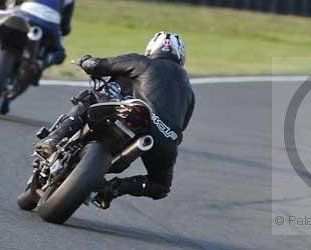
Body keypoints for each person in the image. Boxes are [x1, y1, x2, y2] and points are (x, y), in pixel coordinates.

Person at [34, 32, 195, 208]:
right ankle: (113, 189)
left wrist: (85, 61)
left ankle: (53, 139)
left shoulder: (142, 61)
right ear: (180, 57)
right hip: (166, 138)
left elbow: (99, 65)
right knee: (160, 186)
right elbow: (183, 125)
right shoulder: (189, 91)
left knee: (90, 96)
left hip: (137, 115)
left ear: (151, 49)